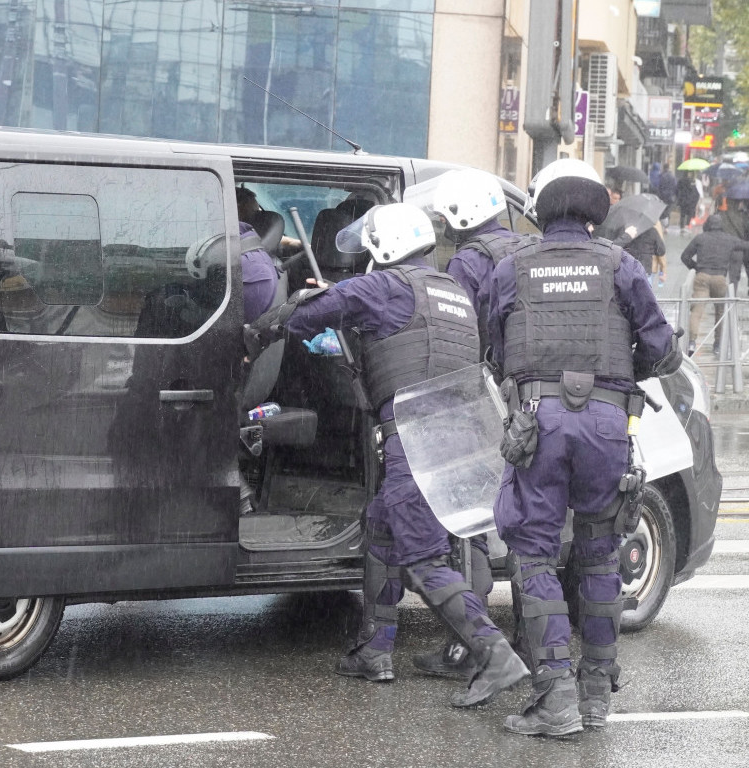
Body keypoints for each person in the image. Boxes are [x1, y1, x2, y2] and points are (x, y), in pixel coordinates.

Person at [248, 203, 529, 707]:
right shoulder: (453, 292)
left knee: (421, 557)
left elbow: (311, 316)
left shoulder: (387, 287)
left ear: (387, 248)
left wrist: (265, 326)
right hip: (460, 441)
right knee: (380, 529)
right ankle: (374, 650)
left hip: (416, 443)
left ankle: (495, 654)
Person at [487, 158, 681, 737]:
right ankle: (597, 694)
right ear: (597, 208)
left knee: (535, 555)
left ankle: (556, 699)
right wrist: (615, 377)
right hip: (606, 424)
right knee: (599, 555)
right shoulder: (621, 266)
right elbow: (663, 351)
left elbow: (493, 349)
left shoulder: (511, 267)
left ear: (540, 209)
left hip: (536, 422)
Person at [406, 167, 531, 681]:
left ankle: (470, 647)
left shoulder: (467, 262)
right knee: (527, 527)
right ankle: (530, 640)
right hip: (533, 402)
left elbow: (450, 324)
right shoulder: (530, 250)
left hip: (481, 398)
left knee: (470, 524)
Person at [680, 213, 749, 352]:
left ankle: (692, 342)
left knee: (697, 311)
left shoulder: (700, 238)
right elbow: (745, 245)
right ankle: (717, 344)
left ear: (707, 225)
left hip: (702, 277)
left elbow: (685, 256)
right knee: (721, 311)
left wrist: (696, 267)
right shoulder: (729, 239)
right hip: (720, 279)